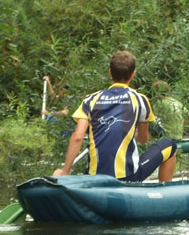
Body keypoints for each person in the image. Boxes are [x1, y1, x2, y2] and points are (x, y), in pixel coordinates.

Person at [53, 50, 177, 182]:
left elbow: (77, 137)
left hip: (94, 177)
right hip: (128, 176)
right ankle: (163, 192)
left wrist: (65, 172)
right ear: (133, 74)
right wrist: (129, 133)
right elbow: (143, 139)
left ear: (110, 72)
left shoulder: (90, 100)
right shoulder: (139, 99)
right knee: (170, 145)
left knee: (58, 172)